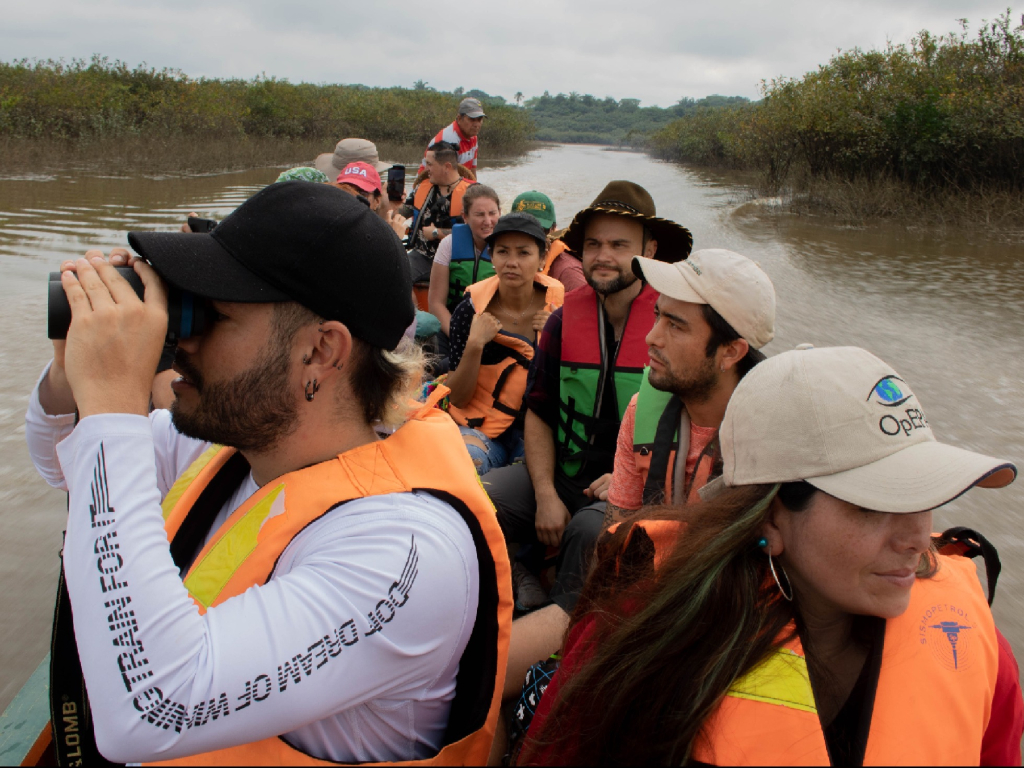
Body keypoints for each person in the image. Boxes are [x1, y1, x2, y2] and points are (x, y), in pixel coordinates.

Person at [26, 182, 512, 765]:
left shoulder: (406, 552)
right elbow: (64, 458)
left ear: (322, 351)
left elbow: (152, 708)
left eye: (214, 313)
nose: (182, 339)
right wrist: (71, 364)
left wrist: (110, 394)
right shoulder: (240, 443)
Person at [520, 345, 1023, 766]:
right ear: (768, 518)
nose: (918, 538)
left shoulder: (973, 651)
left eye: (924, 495)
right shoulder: (643, 640)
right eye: (874, 505)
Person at [484, 180, 692, 693]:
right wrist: (548, 492)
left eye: (619, 245)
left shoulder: (676, 323)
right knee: (478, 499)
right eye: (595, 244)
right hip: (564, 473)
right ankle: (526, 583)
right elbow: (538, 414)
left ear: (648, 251)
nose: (603, 256)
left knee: (586, 532)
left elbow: (694, 425)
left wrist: (627, 478)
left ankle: (565, 657)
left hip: (634, 491)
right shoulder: (562, 318)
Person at [605, 249, 776, 522]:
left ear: (731, 352)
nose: (651, 337)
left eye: (676, 326)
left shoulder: (777, 442)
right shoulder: (642, 412)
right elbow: (614, 534)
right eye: (658, 315)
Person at [445, 213, 565, 475]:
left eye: (524, 253)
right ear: (492, 255)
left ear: (542, 258)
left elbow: (571, 389)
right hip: (480, 429)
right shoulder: (470, 310)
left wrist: (556, 340)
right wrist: (475, 345)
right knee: (469, 461)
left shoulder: (559, 310)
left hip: (537, 431)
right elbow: (457, 398)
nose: (512, 263)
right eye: (503, 252)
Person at [428, 184, 500, 347]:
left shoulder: (507, 249)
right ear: (465, 217)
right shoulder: (449, 244)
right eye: (479, 215)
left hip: (492, 330)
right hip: (451, 327)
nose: (488, 221)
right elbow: (436, 303)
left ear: (500, 213)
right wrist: (458, 337)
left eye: (492, 213)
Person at [511, 191, 585, 293]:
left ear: (553, 230)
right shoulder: (506, 265)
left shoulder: (569, 272)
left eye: (539, 230)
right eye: (521, 229)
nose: (529, 236)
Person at [417, 97, 485, 177]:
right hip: (430, 183)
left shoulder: (473, 137)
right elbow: (445, 179)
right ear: (459, 119)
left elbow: (472, 172)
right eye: (472, 119)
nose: (476, 125)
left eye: (479, 120)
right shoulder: (448, 140)